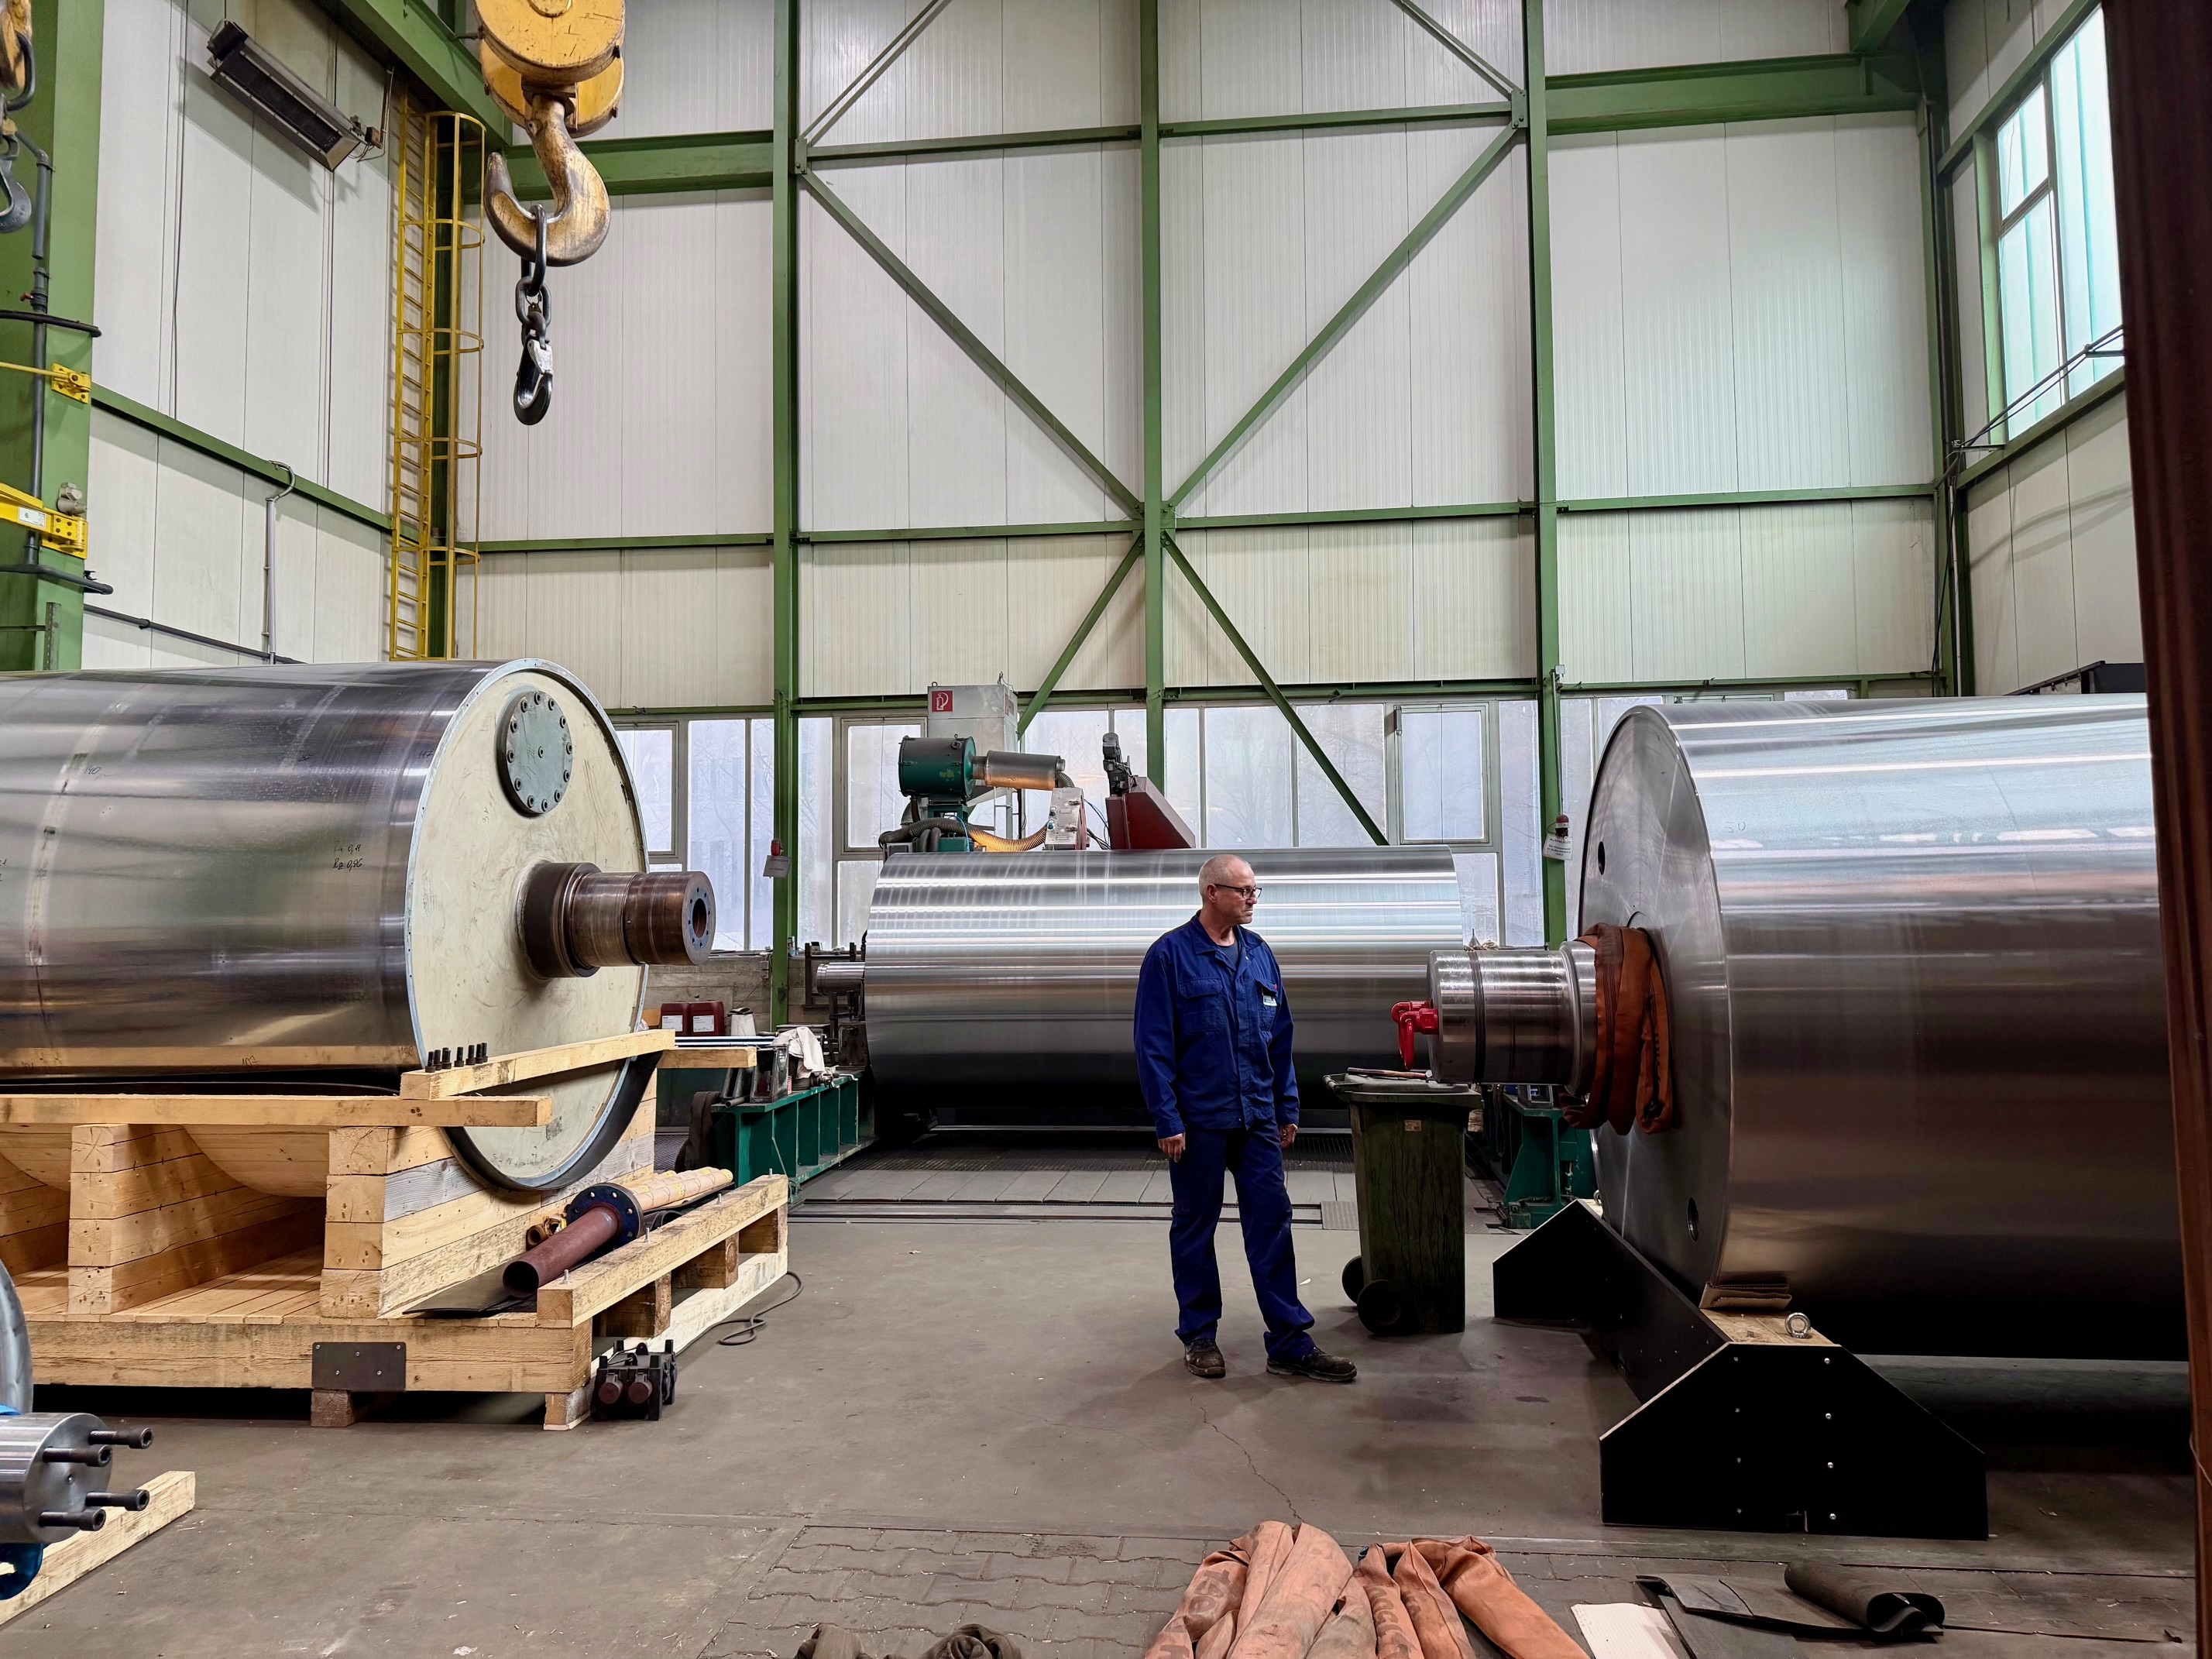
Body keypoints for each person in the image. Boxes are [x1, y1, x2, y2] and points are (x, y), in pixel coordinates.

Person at [1132, 854, 1358, 1384]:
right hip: (1200, 1120)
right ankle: (1199, 1335)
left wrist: (1286, 1106)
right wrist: (1167, 1117)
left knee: (1272, 1223)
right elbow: (1152, 1045)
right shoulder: (1170, 956)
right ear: (1212, 892)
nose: (1252, 899)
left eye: (1255, 890)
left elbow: (1279, 1037)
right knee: (1195, 1226)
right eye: (1243, 891)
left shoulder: (1259, 955)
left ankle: (1289, 1342)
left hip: (1257, 1116)